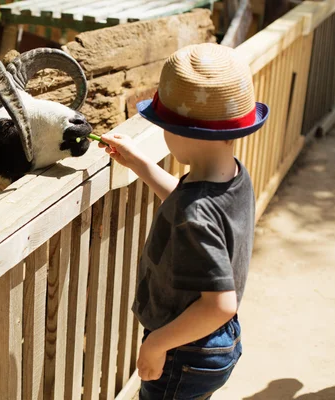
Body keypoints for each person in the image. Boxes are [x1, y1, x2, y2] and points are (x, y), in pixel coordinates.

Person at [98, 43, 269, 399]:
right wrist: (141, 165)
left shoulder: (196, 211)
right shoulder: (231, 175)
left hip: (184, 350)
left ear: (184, 133)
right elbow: (188, 203)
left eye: (163, 125)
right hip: (215, 341)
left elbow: (220, 303)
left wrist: (157, 344)